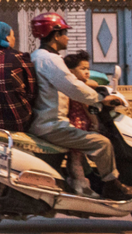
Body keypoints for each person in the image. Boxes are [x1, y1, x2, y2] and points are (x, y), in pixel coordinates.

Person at [28, 13, 132, 201]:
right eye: (65, 33)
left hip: (46, 121)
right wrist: (100, 99)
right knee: (102, 143)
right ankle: (111, 186)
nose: (67, 37)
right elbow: (72, 86)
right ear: (55, 34)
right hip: (52, 124)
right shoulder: (50, 60)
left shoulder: (38, 56)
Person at [63, 51, 99, 197]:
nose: (87, 72)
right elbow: (88, 107)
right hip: (79, 125)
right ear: (71, 71)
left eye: (88, 69)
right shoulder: (79, 88)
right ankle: (80, 184)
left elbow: (94, 83)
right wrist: (95, 123)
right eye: (83, 69)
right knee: (76, 158)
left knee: (77, 157)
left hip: (75, 123)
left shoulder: (72, 85)